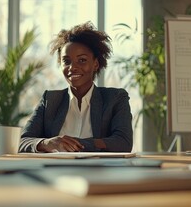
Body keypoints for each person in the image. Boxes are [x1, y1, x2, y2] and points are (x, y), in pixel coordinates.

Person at [19, 22, 133, 153]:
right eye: (66, 61)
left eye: (82, 60)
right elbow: (22, 142)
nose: (72, 67)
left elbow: (123, 143)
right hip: (53, 171)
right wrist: (48, 143)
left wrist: (74, 144)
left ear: (95, 64)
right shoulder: (50, 100)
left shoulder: (115, 98)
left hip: (99, 171)